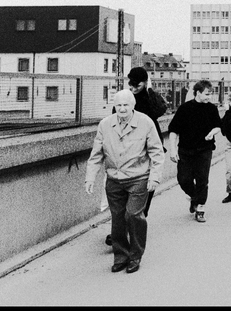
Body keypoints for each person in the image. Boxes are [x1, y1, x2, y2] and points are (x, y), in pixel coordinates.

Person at [85, 89, 164, 274]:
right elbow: (96, 154)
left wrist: (154, 177)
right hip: (114, 179)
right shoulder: (105, 124)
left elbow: (156, 152)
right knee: (118, 219)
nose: (121, 109)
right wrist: (90, 177)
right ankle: (120, 256)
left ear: (133, 105)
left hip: (138, 178)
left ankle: (135, 256)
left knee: (133, 215)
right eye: (118, 105)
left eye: (125, 105)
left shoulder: (145, 123)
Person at [104, 67, 168, 247]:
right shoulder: (125, 100)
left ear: (145, 82)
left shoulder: (149, 99)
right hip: (129, 150)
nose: (132, 88)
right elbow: (114, 119)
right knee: (124, 195)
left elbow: (161, 109)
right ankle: (124, 229)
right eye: (130, 84)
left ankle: (135, 223)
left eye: (137, 84)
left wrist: (149, 90)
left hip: (149, 147)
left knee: (145, 190)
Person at [167, 80, 222, 223]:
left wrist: (212, 132)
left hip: (205, 149)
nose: (209, 97)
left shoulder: (212, 109)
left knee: (202, 179)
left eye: (211, 94)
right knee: (183, 179)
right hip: (185, 150)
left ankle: (200, 208)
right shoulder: (185, 109)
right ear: (198, 93)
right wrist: (172, 150)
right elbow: (173, 130)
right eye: (207, 94)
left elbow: (218, 126)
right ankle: (194, 198)